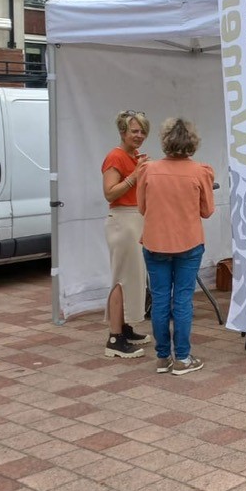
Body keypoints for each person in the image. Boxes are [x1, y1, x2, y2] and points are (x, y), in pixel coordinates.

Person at [137, 118, 215, 375]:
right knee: (182, 299)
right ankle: (182, 357)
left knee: (160, 298)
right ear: (192, 143)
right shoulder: (201, 171)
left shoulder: (148, 170)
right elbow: (207, 211)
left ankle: (162, 358)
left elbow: (142, 208)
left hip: (155, 241)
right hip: (188, 242)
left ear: (164, 141)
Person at [102, 109, 151, 358]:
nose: (139, 135)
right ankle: (115, 337)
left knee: (133, 276)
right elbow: (110, 193)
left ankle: (126, 327)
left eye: (142, 131)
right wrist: (135, 176)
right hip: (122, 219)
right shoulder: (116, 157)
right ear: (123, 131)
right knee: (121, 278)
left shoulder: (133, 156)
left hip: (134, 218)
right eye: (135, 131)